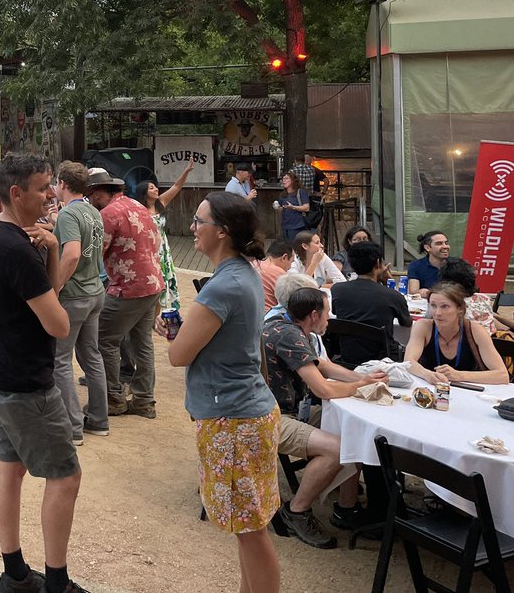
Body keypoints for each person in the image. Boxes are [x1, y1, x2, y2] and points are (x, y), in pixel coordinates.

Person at [0, 153, 85, 593]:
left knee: (9, 465)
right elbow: (57, 322)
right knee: (65, 475)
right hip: (24, 380)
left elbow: (46, 294)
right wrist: (44, 262)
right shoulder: (16, 247)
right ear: (15, 193)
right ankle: (56, 581)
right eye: (41, 188)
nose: (49, 195)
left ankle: (15, 572)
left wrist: (53, 248)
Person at [161, 191, 280, 593]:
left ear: (223, 231)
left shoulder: (221, 287)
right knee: (247, 526)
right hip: (246, 409)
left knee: (250, 530)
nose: (193, 228)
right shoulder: (244, 272)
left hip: (232, 417)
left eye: (199, 221)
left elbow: (179, 356)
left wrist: (175, 338)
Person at [263, 285, 388, 546]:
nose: (330, 318)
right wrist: (361, 386)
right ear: (313, 315)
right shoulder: (289, 335)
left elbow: (323, 365)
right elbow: (324, 389)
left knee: (354, 429)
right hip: (270, 417)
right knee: (339, 448)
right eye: (327, 312)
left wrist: (364, 377)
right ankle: (296, 511)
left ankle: (346, 507)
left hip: (292, 409)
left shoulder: (288, 325)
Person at [97, 169, 165, 418]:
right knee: (142, 342)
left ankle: (114, 397)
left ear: (102, 193)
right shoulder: (138, 206)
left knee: (104, 338)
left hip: (127, 286)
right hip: (151, 282)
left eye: (93, 194)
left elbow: (97, 251)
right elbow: (156, 241)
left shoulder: (108, 214)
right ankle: (144, 399)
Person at [51, 161, 108, 443]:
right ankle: (99, 418)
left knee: (60, 360)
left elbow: (71, 254)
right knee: (91, 356)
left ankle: (72, 426)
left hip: (75, 295)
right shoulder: (93, 211)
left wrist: (56, 285)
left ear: (62, 183)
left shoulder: (68, 214)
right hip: (96, 290)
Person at [403, 282, 510, 385]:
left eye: (445, 306)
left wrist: (459, 375)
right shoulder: (423, 327)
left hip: (469, 394)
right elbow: (408, 361)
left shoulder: (475, 331)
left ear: (460, 309)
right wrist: (427, 374)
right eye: (433, 305)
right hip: (430, 391)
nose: (437, 313)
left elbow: (502, 375)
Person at [132, 156, 195, 314]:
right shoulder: (139, 210)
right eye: (151, 188)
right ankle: (150, 316)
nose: (155, 189)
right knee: (154, 281)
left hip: (163, 247)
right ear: (144, 193)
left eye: (155, 187)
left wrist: (186, 171)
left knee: (164, 281)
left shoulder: (160, 202)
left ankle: (157, 316)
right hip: (149, 249)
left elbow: (177, 186)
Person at [327, 242, 410, 363]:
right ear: (378, 264)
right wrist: (386, 279)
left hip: (348, 357)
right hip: (384, 360)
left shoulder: (337, 289)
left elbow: (336, 312)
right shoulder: (393, 296)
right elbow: (406, 323)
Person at [406, 229, 448, 296]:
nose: (445, 246)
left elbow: (462, 291)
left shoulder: (456, 265)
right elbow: (413, 291)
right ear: (427, 248)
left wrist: (429, 292)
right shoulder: (416, 266)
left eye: (446, 243)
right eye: (439, 243)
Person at [258, 239, 293, 308]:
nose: (290, 267)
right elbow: (294, 301)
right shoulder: (279, 273)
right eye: (291, 261)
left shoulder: (255, 265)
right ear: (284, 258)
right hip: (269, 315)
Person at [276, 171, 309, 242]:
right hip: (285, 226)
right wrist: (277, 207)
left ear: (293, 181)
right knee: (287, 248)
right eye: (283, 179)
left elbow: (306, 208)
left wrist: (293, 207)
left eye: (286, 178)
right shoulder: (283, 194)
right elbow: (281, 209)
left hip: (298, 226)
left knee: (295, 248)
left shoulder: (300, 192)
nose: (283, 180)